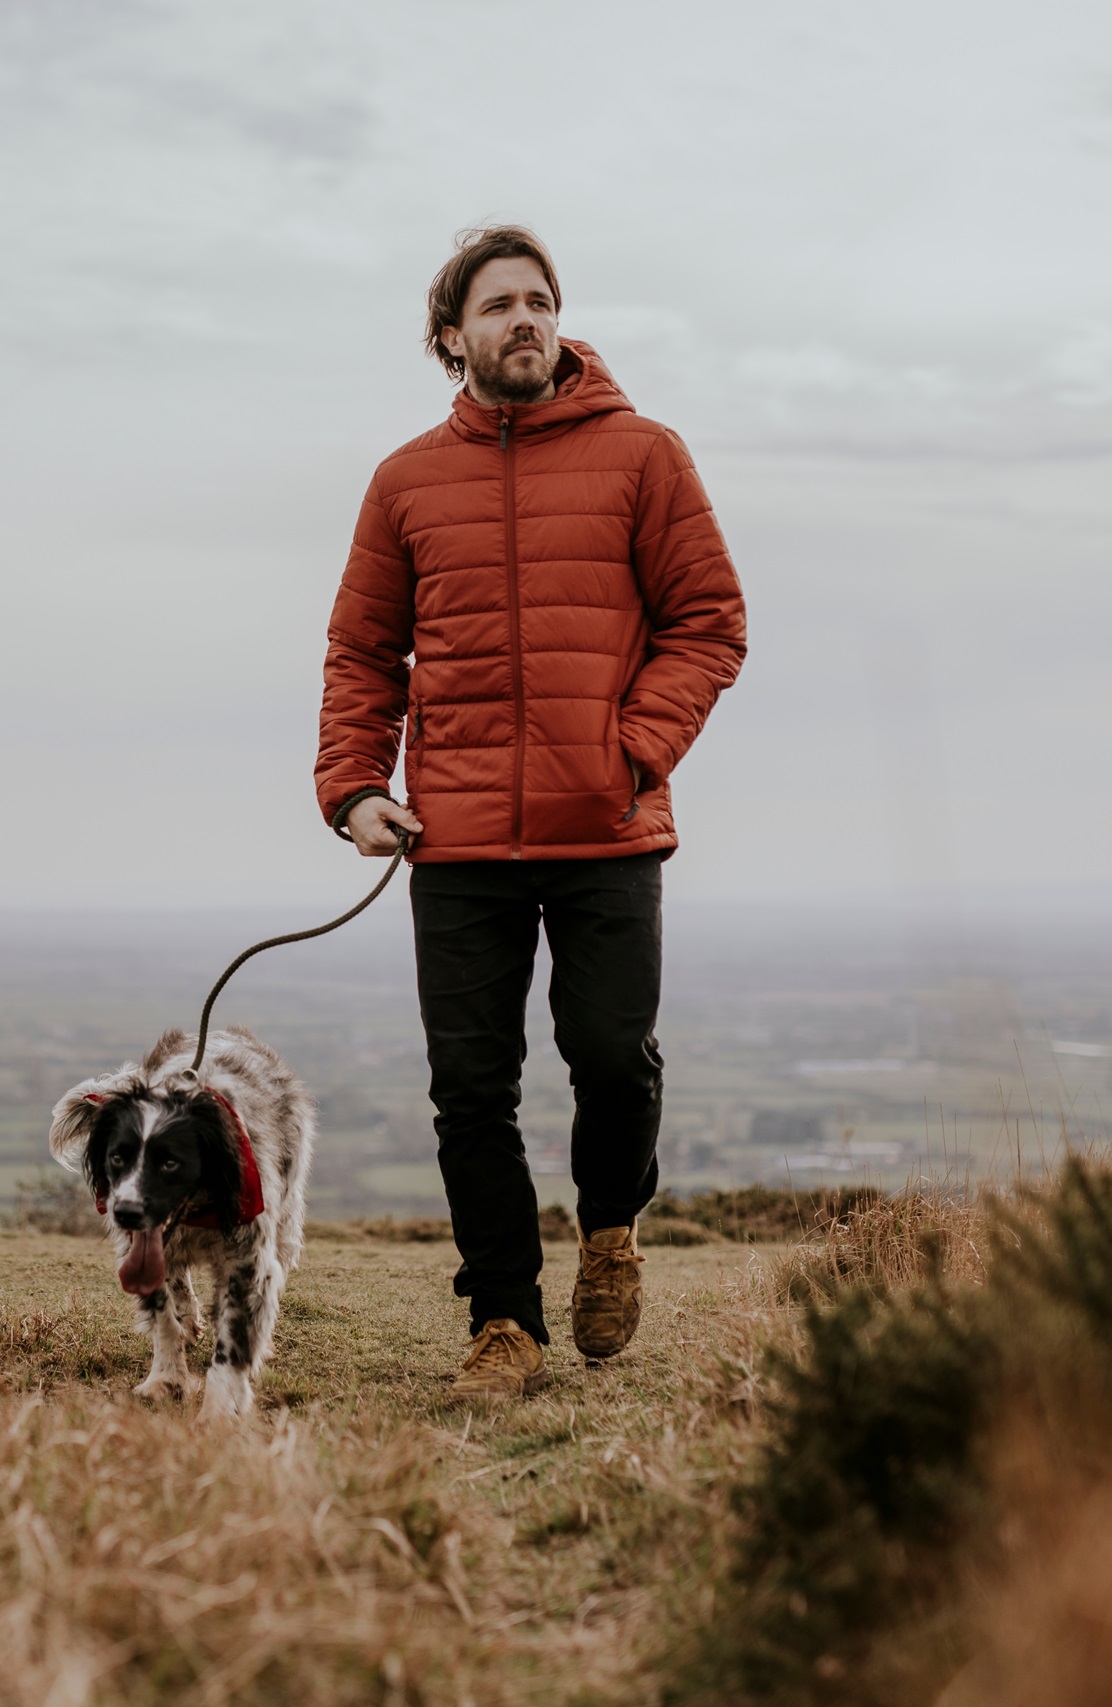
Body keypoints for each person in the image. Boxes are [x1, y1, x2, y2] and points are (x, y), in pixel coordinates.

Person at [315, 225, 746, 1399]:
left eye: (540, 301)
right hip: (455, 845)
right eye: (498, 304)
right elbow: (362, 653)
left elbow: (709, 623)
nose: (524, 320)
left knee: (611, 1057)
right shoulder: (406, 481)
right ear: (450, 337)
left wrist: (629, 751)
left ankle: (610, 1232)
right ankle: (502, 1324)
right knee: (470, 1094)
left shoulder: (644, 456)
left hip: (605, 829)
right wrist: (356, 789)